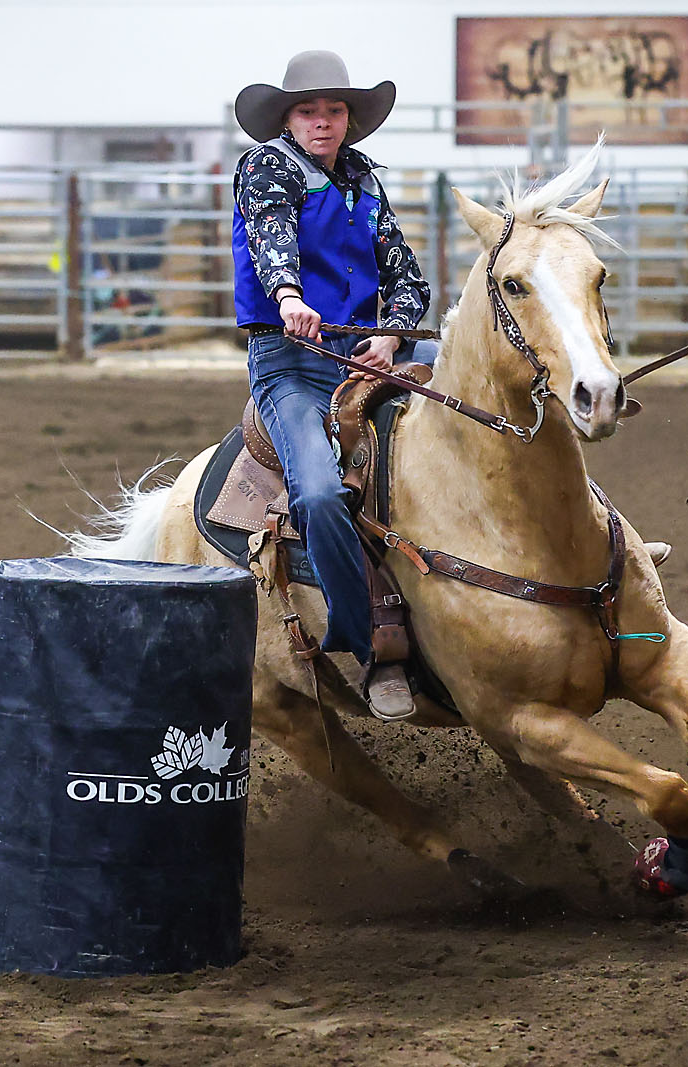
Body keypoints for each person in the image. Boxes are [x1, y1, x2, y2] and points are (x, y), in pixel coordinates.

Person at [231, 50, 436, 719]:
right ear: (288, 118)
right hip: (290, 361)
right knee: (318, 493)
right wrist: (289, 295)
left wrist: (396, 331)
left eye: (334, 110)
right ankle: (373, 647)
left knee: (481, 402)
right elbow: (271, 239)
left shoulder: (364, 182)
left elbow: (404, 271)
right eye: (309, 110)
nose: (323, 121)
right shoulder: (266, 167)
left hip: (361, 358)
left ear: (349, 119)